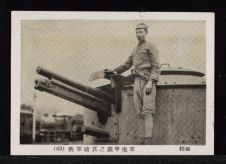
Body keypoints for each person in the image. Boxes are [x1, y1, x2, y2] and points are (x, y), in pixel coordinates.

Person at [106, 23, 160, 144]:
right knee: (139, 112)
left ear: (146, 32)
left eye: (141, 32)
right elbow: (126, 64)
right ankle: (143, 140)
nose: (138, 34)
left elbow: (156, 67)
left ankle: (149, 140)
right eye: (136, 32)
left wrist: (151, 82)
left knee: (147, 111)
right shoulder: (135, 50)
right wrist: (114, 71)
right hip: (136, 81)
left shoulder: (151, 47)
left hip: (147, 81)